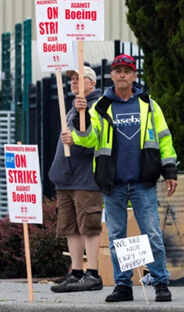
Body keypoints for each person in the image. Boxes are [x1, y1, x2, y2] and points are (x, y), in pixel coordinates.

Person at [67, 54, 177, 303]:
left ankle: (160, 282)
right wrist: (80, 119)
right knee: (117, 237)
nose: (122, 75)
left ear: (135, 75)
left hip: (143, 181)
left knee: (152, 234)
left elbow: (164, 139)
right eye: (117, 71)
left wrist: (170, 171)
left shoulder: (149, 104)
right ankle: (123, 285)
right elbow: (87, 141)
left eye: (127, 70)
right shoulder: (101, 106)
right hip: (112, 182)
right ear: (112, 76)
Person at [49, 66, 104, 293]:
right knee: (70, 227)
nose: (74, 81)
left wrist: (77, 138)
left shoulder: (97, 106)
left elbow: (96, 138)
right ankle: (76, 272)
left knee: (89, 226)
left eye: (80, 78)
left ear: (92, 83)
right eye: (72, 78)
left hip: (86, 178)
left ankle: (92, 273)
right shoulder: (72, 108)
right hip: (66, 178)